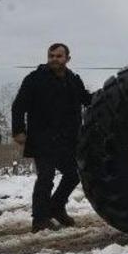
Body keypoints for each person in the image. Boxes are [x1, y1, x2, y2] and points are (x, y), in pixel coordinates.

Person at [12, 43, 92, 233]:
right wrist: (18, 131)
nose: (54, 59)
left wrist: (108, 94)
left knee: (74, 174)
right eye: (51, 56)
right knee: (45, 177)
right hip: (43, 138)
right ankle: (40, 220)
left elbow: (86, 99)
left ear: (67, 59)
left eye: (59, 56)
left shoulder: (73, 80)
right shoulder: (35, 79)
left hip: (67, 139)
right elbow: (19, 105)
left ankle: (56, 207)